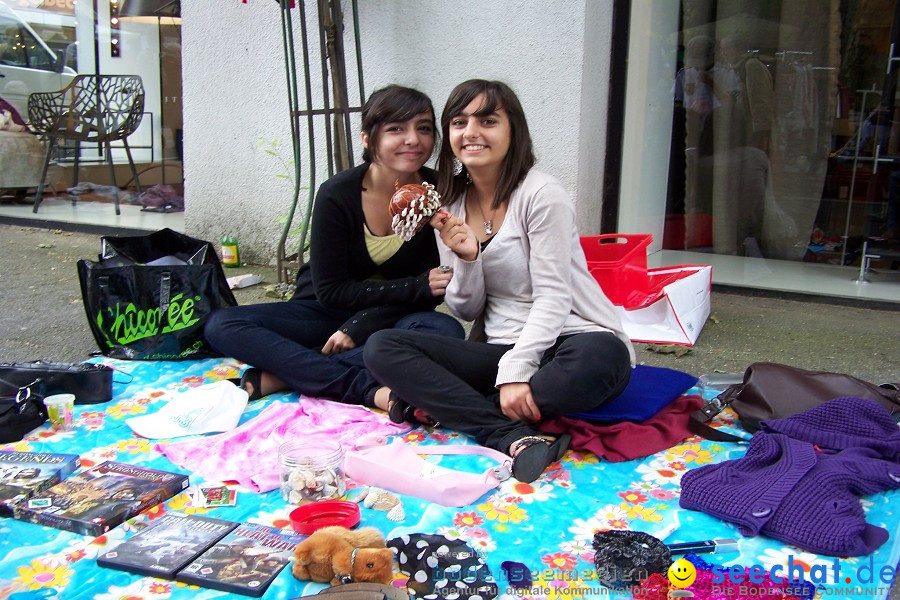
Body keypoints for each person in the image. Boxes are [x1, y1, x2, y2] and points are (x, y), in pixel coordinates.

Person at [363, 80, 635, 483]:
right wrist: (469, 259)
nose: (471, 132)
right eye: (459, 122)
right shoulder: (449, 204)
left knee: (601, 358)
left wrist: (516, 371)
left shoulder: (541, 194)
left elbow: (554, 297)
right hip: (500, 349)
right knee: (383, 347)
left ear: (513, 130)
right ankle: (510, 433)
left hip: (571, 342)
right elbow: (466, 309)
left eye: (487, 120)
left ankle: (453, 406)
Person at [204, 85, 465, 410]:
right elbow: (331, 291)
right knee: (222, 324)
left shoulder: (438, 192)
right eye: (396, 128)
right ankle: (360, 387)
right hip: (324, 311)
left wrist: (362, 325)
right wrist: (361, 318)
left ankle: (287, 375)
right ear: (368, 138)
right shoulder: (337, 194)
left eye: (423, 128)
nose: (413, 139)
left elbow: (432, 290)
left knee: (444, 331)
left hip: (392, 319)